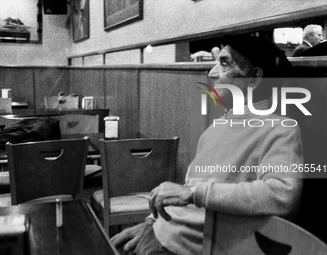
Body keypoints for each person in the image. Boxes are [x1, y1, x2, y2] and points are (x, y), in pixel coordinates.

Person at [111, 35, 304, 255]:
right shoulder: (218, 124)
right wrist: (151, 221)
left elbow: (282, 195)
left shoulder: (280, 128)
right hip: (159, 233)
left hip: (187, 248)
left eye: (223, 63)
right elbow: (189, 188)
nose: (211, 73)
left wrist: (194, 193)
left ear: (254, 78)